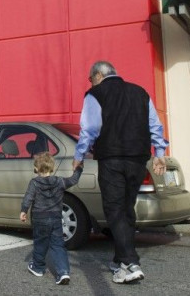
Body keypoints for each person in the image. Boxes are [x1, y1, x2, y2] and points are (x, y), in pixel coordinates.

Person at [72, 60, 168, 284]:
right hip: (137, 160)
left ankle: (130, 263)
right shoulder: (140, 92)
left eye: (90, 79)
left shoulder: (95, 94)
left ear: (97, 75)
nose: (91, 82)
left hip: (112, 159)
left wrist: (79, 157)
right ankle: (119, 259)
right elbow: (154, 124)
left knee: (114, 210)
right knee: (126, 209)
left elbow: (90, 129)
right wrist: (160, 152)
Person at [20, 152, 83, 285]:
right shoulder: (59, 181)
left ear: (36, 169)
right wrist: (79, 169)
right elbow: (73, 180)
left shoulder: (34, 183)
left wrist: (23, 211)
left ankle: (38, 267)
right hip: (55, 218)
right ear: (52, 168)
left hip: (40, 218)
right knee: (58, 245)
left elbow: (28, 198)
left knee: (40, 243)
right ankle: (63, 272)